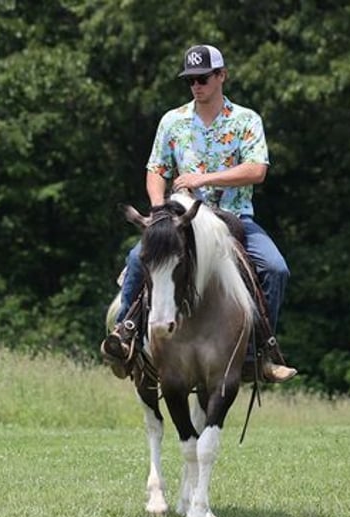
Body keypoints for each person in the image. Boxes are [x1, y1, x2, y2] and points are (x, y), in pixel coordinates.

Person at [101, 44, 297, 384]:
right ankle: (126, 334)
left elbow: (256, 170)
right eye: (190, 80)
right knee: (137, 258)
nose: (196, 85)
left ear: (222, 76)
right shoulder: (172, 121)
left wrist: (203, 178)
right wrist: (158, 209)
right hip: (181, 221)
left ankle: (259, 353)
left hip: (233, 219)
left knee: (276, 269)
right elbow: (155, 170)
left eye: (203, 78)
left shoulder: (245, 120)